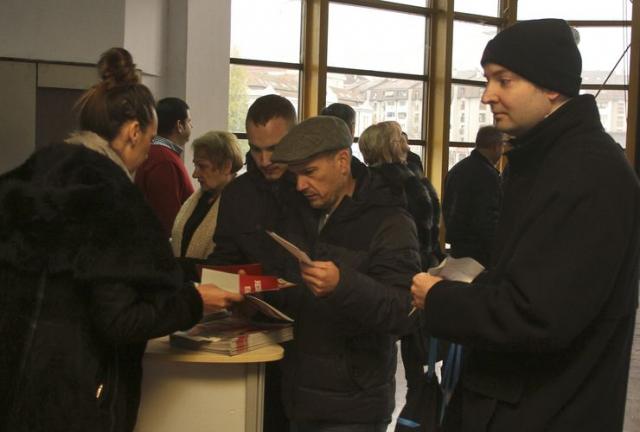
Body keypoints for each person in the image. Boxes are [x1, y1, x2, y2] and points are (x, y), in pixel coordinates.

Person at [411, 19, 640, 432]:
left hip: (546, 410)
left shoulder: (589, 172)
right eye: (487, 80)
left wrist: (441, 298)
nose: (487, 96)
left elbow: (538, 317)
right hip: (521, 401)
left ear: (551, 85)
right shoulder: (550, 160)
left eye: (504, 80)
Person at [0, 48, 242, 432]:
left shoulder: (32, 177)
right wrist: (194, 301)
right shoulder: (112, 199)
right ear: (133, 132)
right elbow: (121, 320)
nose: (148, 152)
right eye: (148, 138)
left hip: (16, 385)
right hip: (76, 397)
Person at [269, 115, 421, 431]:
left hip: (355, 405)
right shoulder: (301, 213)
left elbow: (405, 310)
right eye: (296, 175)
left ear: (342, 161)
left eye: (309, 173)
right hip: (300, 394)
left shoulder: (390, 222)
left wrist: (343, 285)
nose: (300, 185)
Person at [207, 94, 297, 432]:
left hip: (312, 335)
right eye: (256, 149)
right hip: (257, 333)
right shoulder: (238, 193)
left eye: (274, 148)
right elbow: (223, 257)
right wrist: (226, 289)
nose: (264, 159)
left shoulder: (312, 188)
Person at [359, 120, 444, 430]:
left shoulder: (364, 186)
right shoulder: (412, 182)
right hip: (419, 278)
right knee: (419, 367)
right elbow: (428, 233)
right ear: (393, 146)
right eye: (401, 140)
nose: (406, 144)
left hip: (378, 279)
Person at [171, 130, 243, 260]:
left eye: (202, 166)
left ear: (226, 166)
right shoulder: (201, 198)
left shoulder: (238, 206)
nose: (195, 174)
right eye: (195, 165)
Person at [442, 125, 504, 268]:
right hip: (480, 253)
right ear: (495, 146)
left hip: (457, 248)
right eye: (502, 146)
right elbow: (488, 219)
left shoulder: (456, 170)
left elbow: (447, 209)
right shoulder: (489, 176)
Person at [135, 96, 195, 236]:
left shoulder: (161, 154)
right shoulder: (164, 160)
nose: (192, 126)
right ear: (179, 126)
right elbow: (169, 219)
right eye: (189, 122)